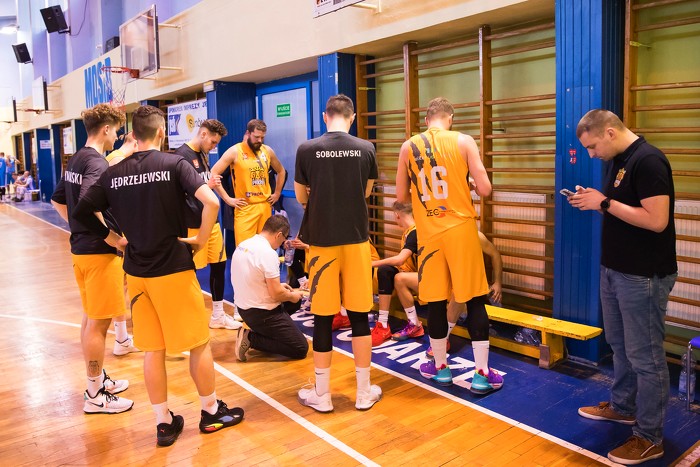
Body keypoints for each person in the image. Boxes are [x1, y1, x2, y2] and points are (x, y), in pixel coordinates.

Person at [72, 105, 244, 447]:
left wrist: (114, 239)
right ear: (161, 133)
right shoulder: (174, 164)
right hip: (173, 270)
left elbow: (81, 211)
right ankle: (210, 412)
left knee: (153, 350)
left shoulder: (113, 173)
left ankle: (163, 423)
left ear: (133, 134)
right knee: (198, 345)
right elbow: (211, 203)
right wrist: (200, 239)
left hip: (137, 273)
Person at [568, 109, 677, 465]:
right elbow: (623, 210)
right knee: (620, 346)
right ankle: (623, 407)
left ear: (610, 133)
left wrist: (604, 201)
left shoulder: (649, 161)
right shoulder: (618, 160)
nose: (591, 154)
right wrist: (594, 202)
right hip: (615, 270)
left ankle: (649, 437)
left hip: (643, 276)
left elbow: (656, 221)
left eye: (592, 146)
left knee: (646, 357)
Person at [396, 97, 504, 394]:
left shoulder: (408, 146)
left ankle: (441, 369)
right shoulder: (463, 141)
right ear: (450, 118)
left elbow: (401, 197)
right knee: (475, 300)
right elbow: (485, 189)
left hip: (429, 234)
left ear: (426, 120)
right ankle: (482, 374)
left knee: (435, 302)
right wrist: (468, 184)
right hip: (460, 230)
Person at [294, 94, 381, 412]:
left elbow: (301, 197)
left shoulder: (307, 148)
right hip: (357, 242)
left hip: (322, 243)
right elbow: (366, 192)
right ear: (353, 117)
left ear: (324, 116)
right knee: (359, 316)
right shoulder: (366, 148)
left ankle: (322, 394)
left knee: (322, 317)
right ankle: (363, 392)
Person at [50, 104, 136, 416]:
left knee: (90, 320)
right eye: (116, 131)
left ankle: (98, 380)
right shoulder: (97, 163)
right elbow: (85, 208)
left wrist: (78, 228)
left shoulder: (77, 158)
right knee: (98, 326)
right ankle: (95, 394)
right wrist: (112, 238)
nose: (117, 137)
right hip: (99, 256)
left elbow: (58, 199)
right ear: (106, 129)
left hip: (80, 251)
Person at [175, 119, 241, 331]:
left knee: (219, 266)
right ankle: (185, 317)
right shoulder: (181, 156)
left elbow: (212, 180)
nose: (214, 147)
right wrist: (207, 186)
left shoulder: (203, 154)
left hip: (211, 223)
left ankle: (218, 315)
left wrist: (227, 199)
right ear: (203, 134)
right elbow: (179, 192)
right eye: (213, 142)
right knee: (189, 273)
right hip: (192, 223)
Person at [231, 214, 308, 361]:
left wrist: (280, 287)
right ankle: (251, 338)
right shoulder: (268, 253)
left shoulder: (244, 244)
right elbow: (276, 294)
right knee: (300, 348)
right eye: (284, 238)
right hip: (261, 313)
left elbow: (252, 278)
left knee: (293, 300)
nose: (282, 243)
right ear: (279, 235)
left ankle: (265, 332)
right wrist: (293, 295)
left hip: (243, 308)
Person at [425, 231, 503, 358]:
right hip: (450, 283)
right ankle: (441, 342)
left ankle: (444, 340)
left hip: (471, 287)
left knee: (460, 297)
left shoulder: (476, 236)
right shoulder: (442, 235)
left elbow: (495, 254)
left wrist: (498, 282)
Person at [210, 119, 286, 247]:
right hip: (245, 207)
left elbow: (281, 171)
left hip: (265, 206)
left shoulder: (267, 151)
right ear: (248, 133)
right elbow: (213, 173)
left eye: (262, 137)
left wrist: (277, 193)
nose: (259, 140)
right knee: (244, 249)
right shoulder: (235, 151)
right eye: (256, 137)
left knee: (265, 248)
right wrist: (227, 199)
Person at [370, 201, 422, 346]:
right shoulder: (409, 231)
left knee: (398, 278)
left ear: (396, 215)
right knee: (385, 271)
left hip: (427, 277)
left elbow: (400, 260)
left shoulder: (415, 232)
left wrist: (371, 263)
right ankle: (383, 323)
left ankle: (415, 324)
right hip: (414, 273)